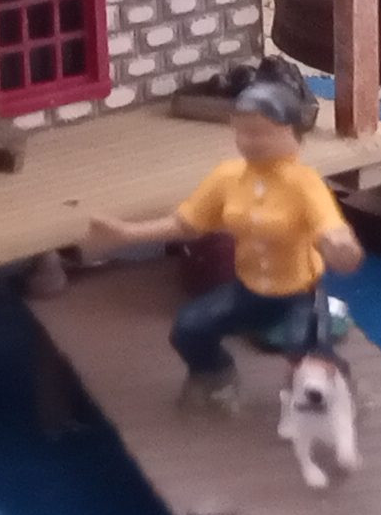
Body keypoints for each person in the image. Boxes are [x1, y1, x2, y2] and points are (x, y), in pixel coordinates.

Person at [84, 75, 365, 396]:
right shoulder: (228, 177)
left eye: (263, 133)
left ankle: (341, 388)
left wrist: (341, 246)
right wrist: (126, 234)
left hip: (298, 295)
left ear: (291, 132)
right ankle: (215, 375)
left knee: (308, 357)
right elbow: (187, 225)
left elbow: (329, 226)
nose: (251, 141)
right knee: (190, 327)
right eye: (244, 132)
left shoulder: (305, 183)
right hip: (248, 290)